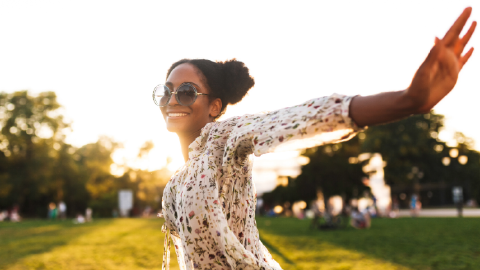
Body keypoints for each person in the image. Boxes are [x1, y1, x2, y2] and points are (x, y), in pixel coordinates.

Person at [156, 8, 476, 269]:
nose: (172, 100)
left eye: (186, 92)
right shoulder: (178, 179)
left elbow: (303, 117)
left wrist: (408, 99)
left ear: (214, 106)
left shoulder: (223, 141)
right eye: (166, 91)